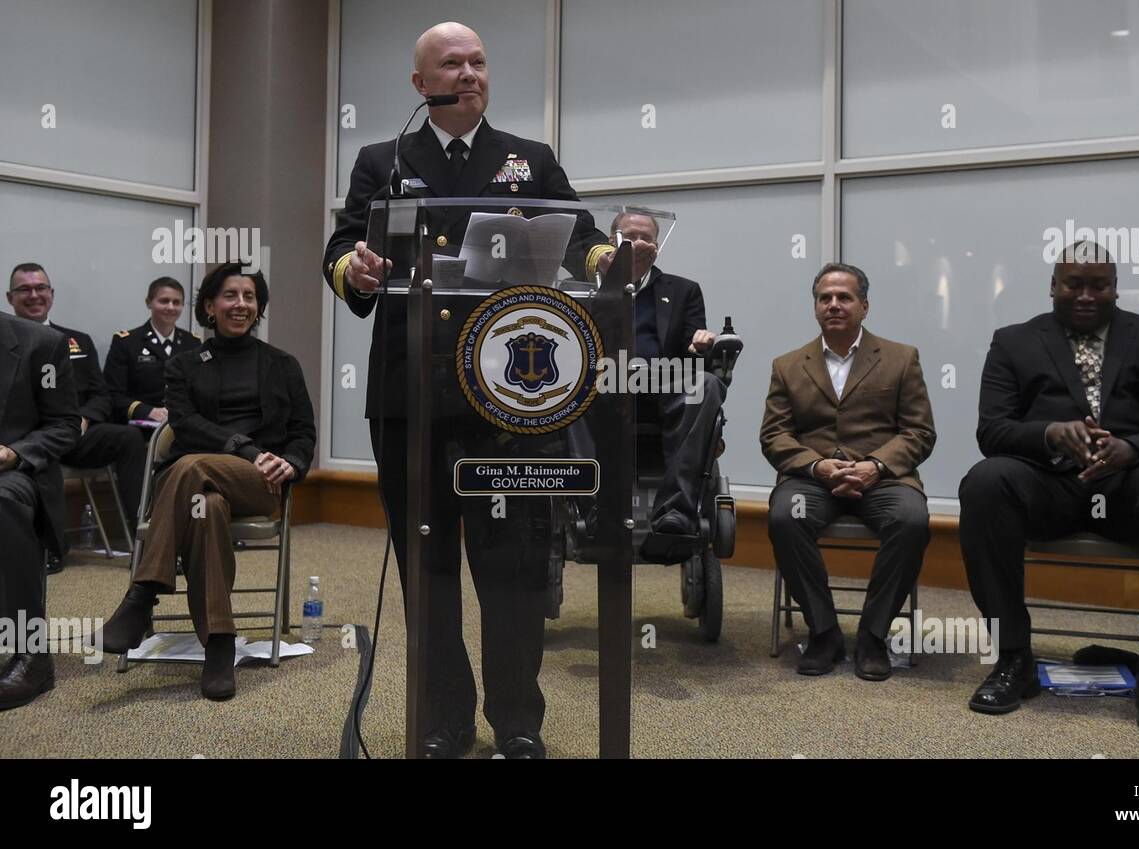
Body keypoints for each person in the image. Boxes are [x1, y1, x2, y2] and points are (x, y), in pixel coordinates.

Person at [322, 21, 623, 760]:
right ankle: (443, 719)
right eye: (451, 62)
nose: (470, 71)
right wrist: (352, 269)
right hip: (409, 398)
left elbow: (580, 234)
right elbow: (340, 248)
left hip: (509, 399)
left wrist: (611, 256)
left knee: (512, 569)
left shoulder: (529, 158)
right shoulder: (383, 161)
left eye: (479, 60)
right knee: (428, 574)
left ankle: (518, 721)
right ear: (421, 85)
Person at [959, 240, 1139, 737]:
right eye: (1074, 283)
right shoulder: (1013, 340)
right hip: (1049, 485)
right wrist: (1051, 433)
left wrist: (1133, 449)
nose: (1086, 295)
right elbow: (993, 431)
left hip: (1129, 486)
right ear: (1054, 286)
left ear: (1116, 287)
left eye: (1099, 284)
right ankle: (1014, 659)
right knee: (985, 482)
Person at [99, 263, 316, 701]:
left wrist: (289, 463)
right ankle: (219, 644)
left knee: (189, 468)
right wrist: (244, 445)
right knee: (206, 506)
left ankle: (143, 592)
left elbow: (302, 431)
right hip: (197, 490)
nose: (241, 304)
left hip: (257, 481)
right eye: (230, 296)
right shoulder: (183, 365)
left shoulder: (282, 364)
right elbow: (185, 423)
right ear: (209, 307)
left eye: (249, 297)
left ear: (259, 307)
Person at [760, 262, 936, 680]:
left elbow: (919, 432)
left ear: (864, 306)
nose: (834, 305)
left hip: (884, 478)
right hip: (813, 480)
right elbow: (775, 437)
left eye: (844, 297)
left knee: (911, 521)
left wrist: (876, 466)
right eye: (825, 298)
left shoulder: (901, 358)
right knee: (787, 517)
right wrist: (818, 466)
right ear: (816, 307)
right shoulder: (787, 365)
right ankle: (824, 632)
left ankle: (874, 634)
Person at [601, 211, 726, 559]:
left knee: (707, 384)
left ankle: (675, 512)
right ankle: (594, 508)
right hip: (604, 381)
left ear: (657, 247)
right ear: (610, 242)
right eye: (630, 236)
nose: (639, 243)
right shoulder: (587, 288)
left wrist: (699, 343)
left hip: (663, 379)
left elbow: (691, 347)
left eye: (647, 238)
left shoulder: (683, 290)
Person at [6, 263, 147, 558]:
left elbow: (102, 395)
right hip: (26, 440)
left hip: (77, 431)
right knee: (42, 457)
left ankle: (143, 540)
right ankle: (48, 549)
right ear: (9, 298)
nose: (34, 295)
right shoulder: (8, 342)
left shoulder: (75, 341)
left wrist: (83, 419)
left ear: (51, 294)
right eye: (24, 289)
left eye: (40, 288)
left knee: (129, 438)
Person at [0, 312, 80, 710]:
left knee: (2, 500)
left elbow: (65, 425)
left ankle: (31, 656)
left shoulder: (40, 344)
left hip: (15, 472)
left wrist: (14, 453)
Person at [103, 276, 201, 426]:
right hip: (140, 427)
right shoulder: (126, 342)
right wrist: (148, 411)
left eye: (176, 302)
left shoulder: (193, 343)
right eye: (164, 301)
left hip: (184, 424)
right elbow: (112, 394)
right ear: (149, 303)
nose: (170, 307)